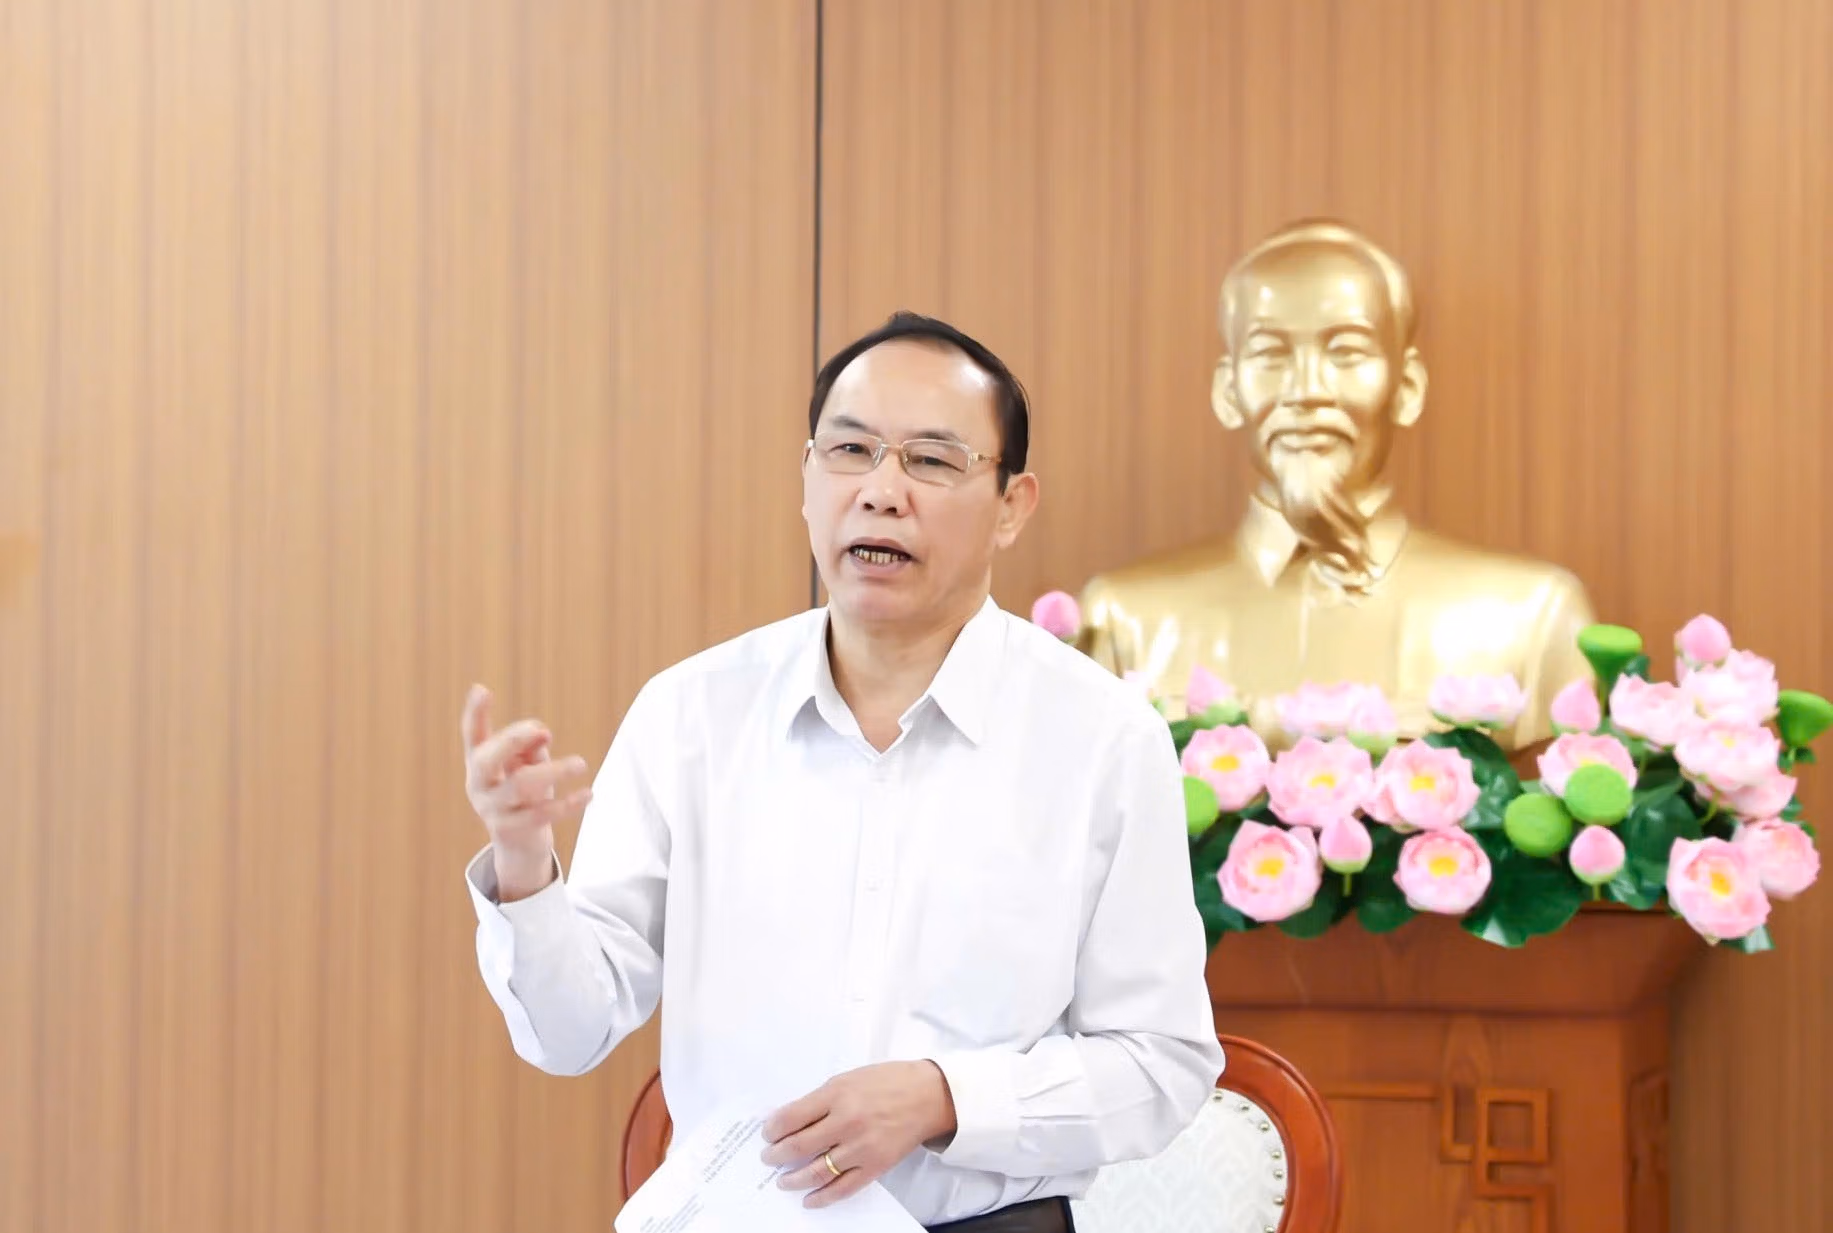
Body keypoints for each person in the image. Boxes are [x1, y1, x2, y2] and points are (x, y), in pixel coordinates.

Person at [460, 311, 1225, 1232]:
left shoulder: (1101, 738)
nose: (881, 492)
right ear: (806, 478)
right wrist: (523, 865)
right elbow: (568, 1032)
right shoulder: (692, 713)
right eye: (850, 451)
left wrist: (944, 1097)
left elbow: (1160, 1063)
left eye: (931, 460)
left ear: (1012, 505)